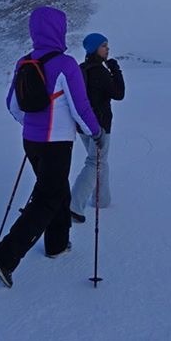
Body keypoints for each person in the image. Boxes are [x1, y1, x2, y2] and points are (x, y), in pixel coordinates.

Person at [0, 7, 103, 288]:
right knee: (48, 197)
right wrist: (95, 132)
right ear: (58, 30)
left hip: (31, 141)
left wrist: (31, 126)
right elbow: (80, 106)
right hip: (57, 142)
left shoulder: (24, 62)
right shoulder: (65, 64)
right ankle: (5, 256)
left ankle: (57, 243)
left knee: (56, 189)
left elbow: (12, 105)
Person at [70, 33, 125, 223]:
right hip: (99, 126)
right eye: (104, 45)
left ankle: (102, 200)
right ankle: (74, 205)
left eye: (107, 45)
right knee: (95, 162)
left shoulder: (81, 68)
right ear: (94, 49)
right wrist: (115, 69)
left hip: (83, 125)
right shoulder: (99, 71)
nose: (107, 49)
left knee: (100, 161)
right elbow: (118, 94)